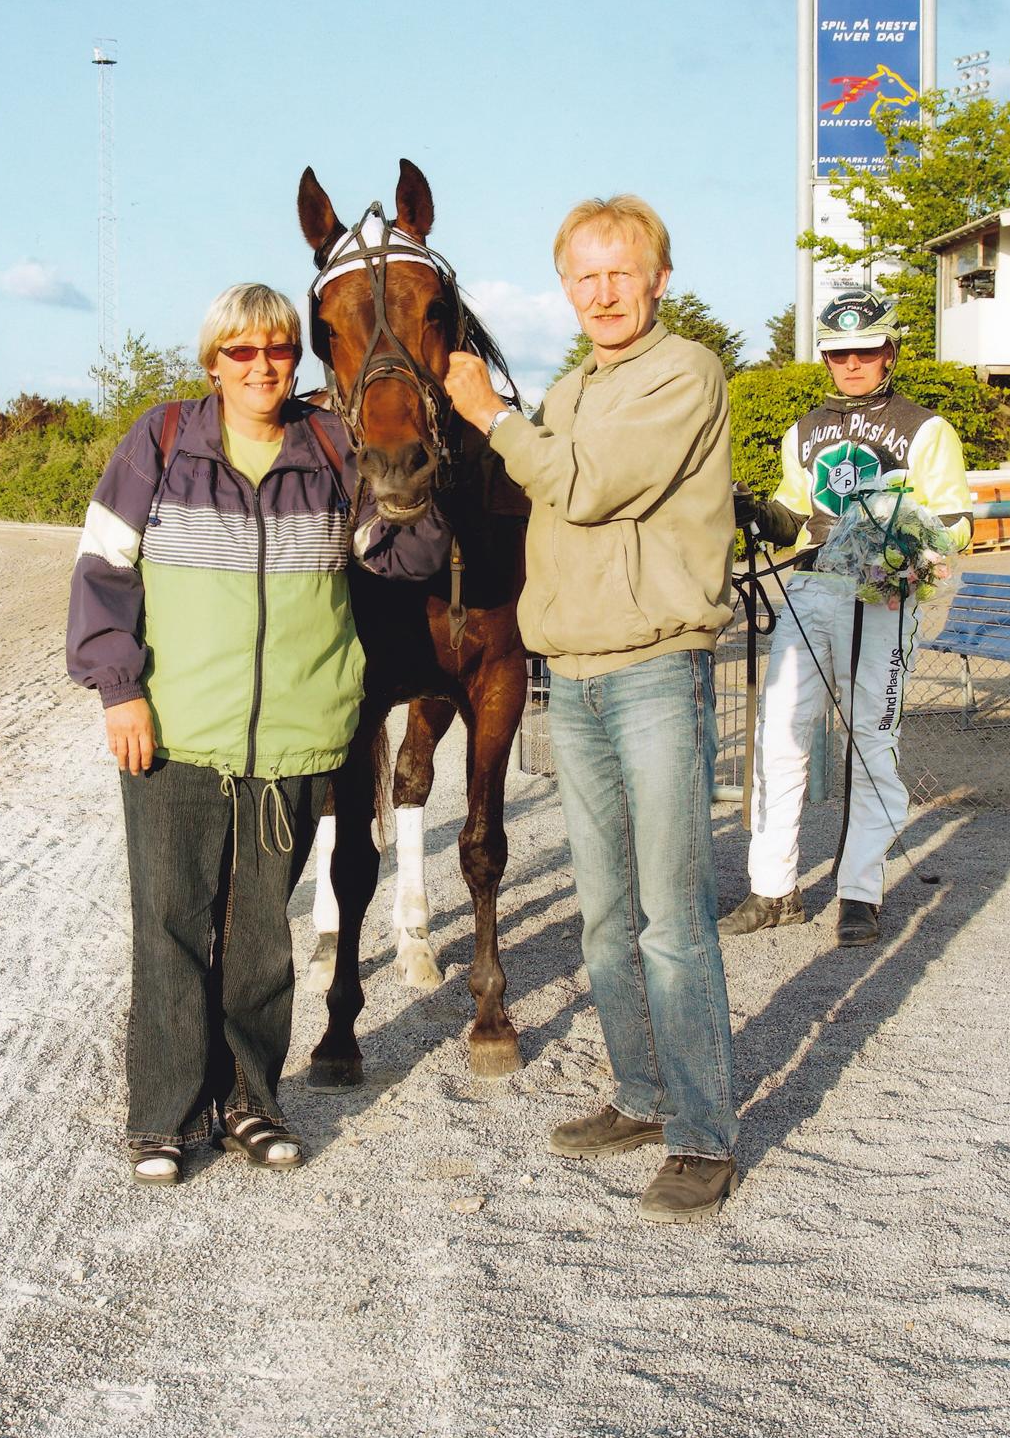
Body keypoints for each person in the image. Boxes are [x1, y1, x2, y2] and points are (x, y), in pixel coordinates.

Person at [67, 283, 449, 1185]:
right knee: (170, 927)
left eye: (277, 349)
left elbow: (403, 557)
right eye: (241, 351)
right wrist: (119, 690)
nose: (261, 366)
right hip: (176, 734)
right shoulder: (162, 441)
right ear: (214, 363)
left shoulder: (330, 447)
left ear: (295, 358)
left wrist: (406, 486)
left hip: (294, 737)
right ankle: (163, 1117)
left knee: (259, 940)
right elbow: (103, 568)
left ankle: (249, 1103)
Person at [446, 196, 738, 1225]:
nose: (603, 292)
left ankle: (702, 1135)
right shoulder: (569, 388)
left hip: (655, 671)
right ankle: (641, 1094)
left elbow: (583, 487)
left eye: (621, 272)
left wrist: (490, 415)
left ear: (658, 278)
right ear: (565, 286)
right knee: (606, 918)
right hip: (570, 678)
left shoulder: (682, 372)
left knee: (671, 920)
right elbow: (526, 493)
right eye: (584, 276)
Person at [721, 289, 973, 948]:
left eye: (865, 350)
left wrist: (899, 543)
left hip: (881, 598)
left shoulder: (926, 429)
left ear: (889, 352)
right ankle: (773, 888)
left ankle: (860, 891)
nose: (851, 364)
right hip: (810, 590)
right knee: (778, 735)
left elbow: (955, 521)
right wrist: (755, 513)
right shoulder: (802, 430)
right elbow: (793, 514)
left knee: (871, 742)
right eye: (838, 354)